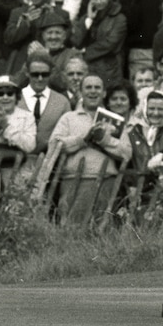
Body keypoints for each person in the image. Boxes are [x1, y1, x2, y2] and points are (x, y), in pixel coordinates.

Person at [48, 74, 132, 224]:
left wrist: (104, 140)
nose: (93, 91)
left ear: (104, 93)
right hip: (72, 180)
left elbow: (126, 153)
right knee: (70, 227)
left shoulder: (115, 119)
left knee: (101, 228)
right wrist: (83, 139)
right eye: (88, 87)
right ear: (80, 92)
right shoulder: (69, 118)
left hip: (106, 181)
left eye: (97, 87)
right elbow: (54, 145)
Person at [71, 0, 126, 88]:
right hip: (88, 69)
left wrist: (84, 52)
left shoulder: (118, 17)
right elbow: (76, 41)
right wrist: (89, 20)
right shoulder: (86, 17)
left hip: (109, 70)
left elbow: (110, 43)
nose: (99, 1)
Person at [18, 53, 70, 155]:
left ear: (50, 73)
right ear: (27, 73)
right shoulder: (14, 99)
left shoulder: (62, 102)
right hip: (16, 160)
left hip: (50, 162)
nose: (40, 78)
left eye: (45, 74)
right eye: (35, 74)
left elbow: (68, 134)